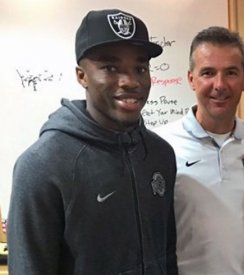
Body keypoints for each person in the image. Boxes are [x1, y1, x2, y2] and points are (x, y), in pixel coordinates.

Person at [7, 9, 178, 275]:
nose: (131, 81)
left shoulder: (160, 154)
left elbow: (167, 256)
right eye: (110, 67)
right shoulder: (42, 165)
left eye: (140, 68)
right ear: (81, 76)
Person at [154, 26, 244, 275]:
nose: (219, 85)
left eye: (231, 73)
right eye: (207, 73)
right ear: (191, 78)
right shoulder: (161, 147)